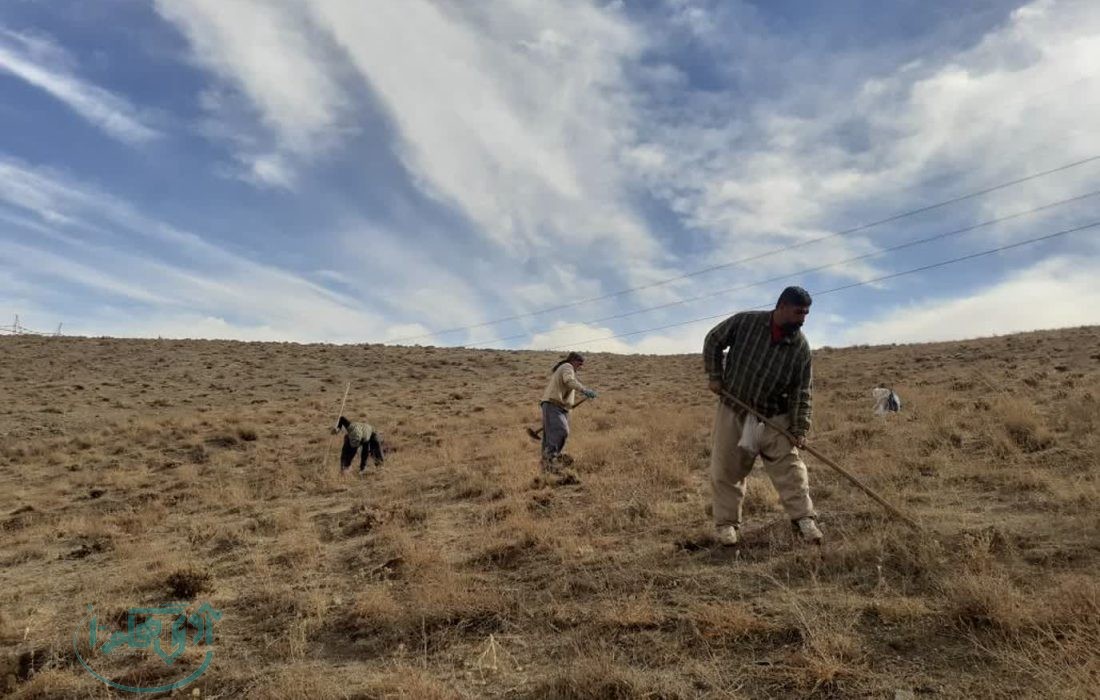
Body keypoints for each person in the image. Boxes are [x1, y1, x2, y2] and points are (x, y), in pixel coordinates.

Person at [703, 286, 823, 545]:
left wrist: (800, 428)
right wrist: (715, 375)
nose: (803, 318)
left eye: (806, 313)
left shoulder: (800, 348)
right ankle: (726, 526)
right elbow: (714, 339)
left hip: (774, 416)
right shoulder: (746, 322)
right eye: (798, 312)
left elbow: (802, 390)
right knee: (726, 468)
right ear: (781, 307)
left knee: (791, 469)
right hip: (734, 408)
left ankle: (804, 519)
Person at [539, 351, 597, 471]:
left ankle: (548, 466)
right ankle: (552, 459)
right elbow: (569, 381)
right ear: (573, 361)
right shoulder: (567, 367)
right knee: (561, 431)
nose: (581, 366)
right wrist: (584, 389)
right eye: (580, 363)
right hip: (553, 404)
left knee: (553, 436)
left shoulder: (566, 368)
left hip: (559, 407)